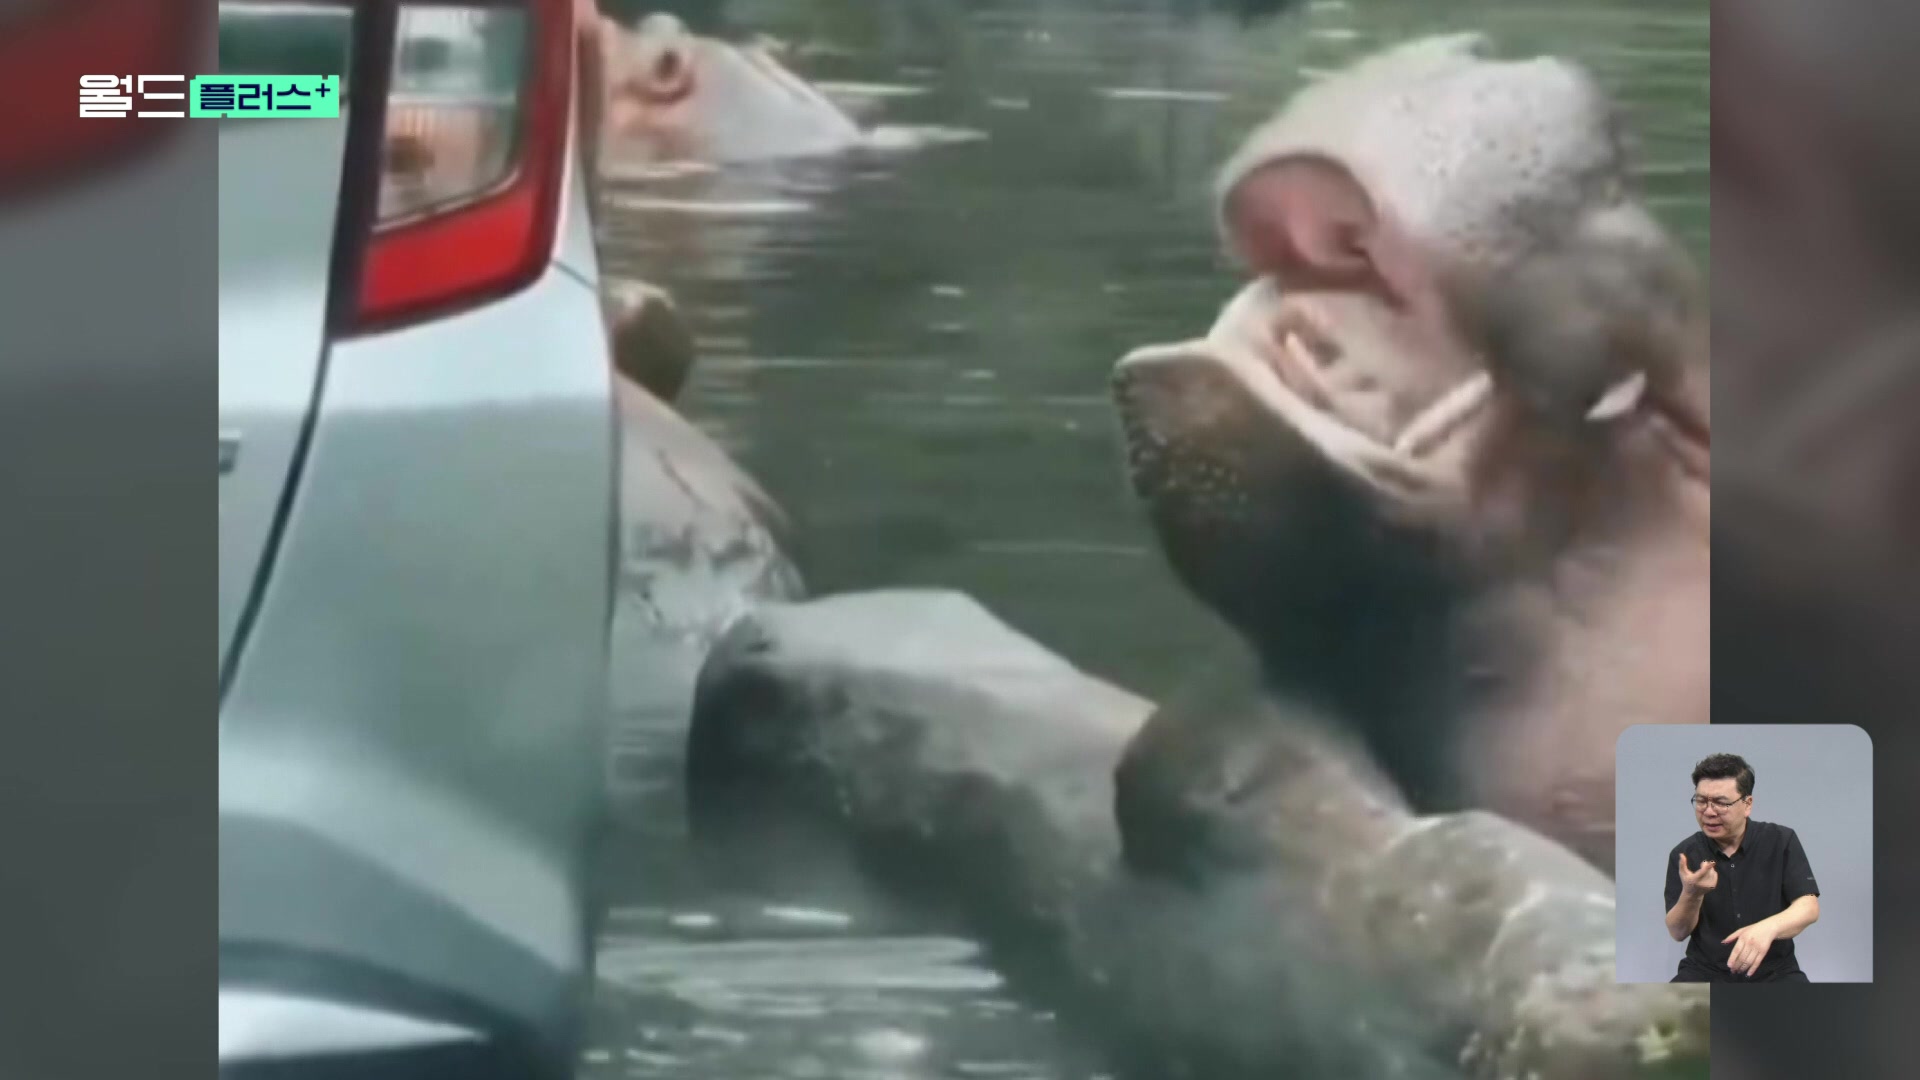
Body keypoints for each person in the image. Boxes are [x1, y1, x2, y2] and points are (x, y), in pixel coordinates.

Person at [1663, 753, 1822, 982]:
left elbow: (1809, 907)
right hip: (1705, 971)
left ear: (1747, 804)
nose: (1708, 811)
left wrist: (1767, 928)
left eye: (1720, 802)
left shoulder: (1781, 840)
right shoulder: (1686, 855)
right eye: (1701, 801)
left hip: (1774, 971)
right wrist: (1692, 893)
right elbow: (1678, 932)